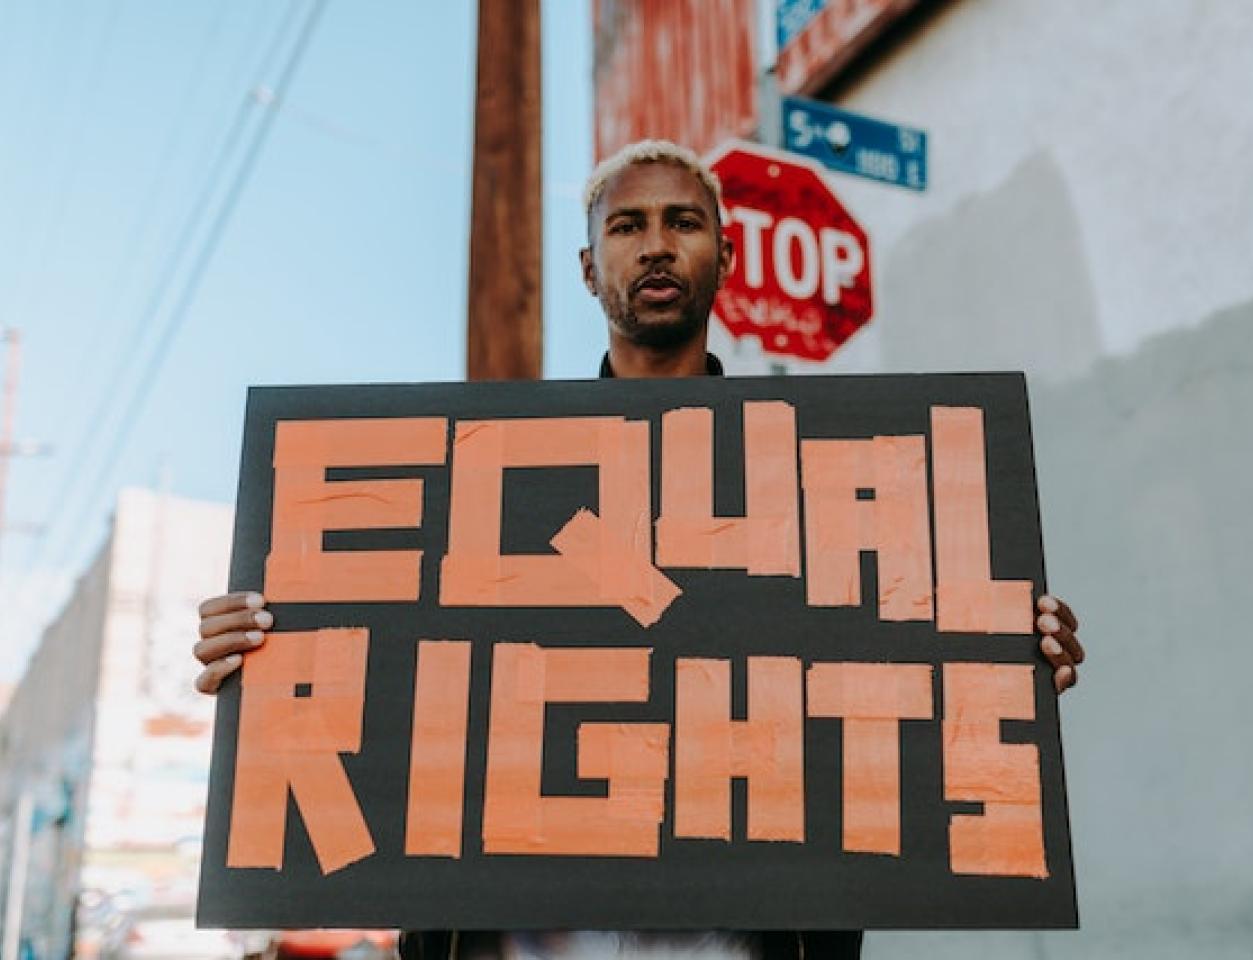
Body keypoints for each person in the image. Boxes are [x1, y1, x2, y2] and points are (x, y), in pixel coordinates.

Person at [194, 141, 1086, 959]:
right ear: (590, 268)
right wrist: (266, 643)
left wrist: (999, 650)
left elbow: (899, 681)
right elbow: (390, 670)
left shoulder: (821, 486)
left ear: (725, 259)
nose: (655, 246)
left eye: (682, 222)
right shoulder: (488, 486)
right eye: (628, 226)